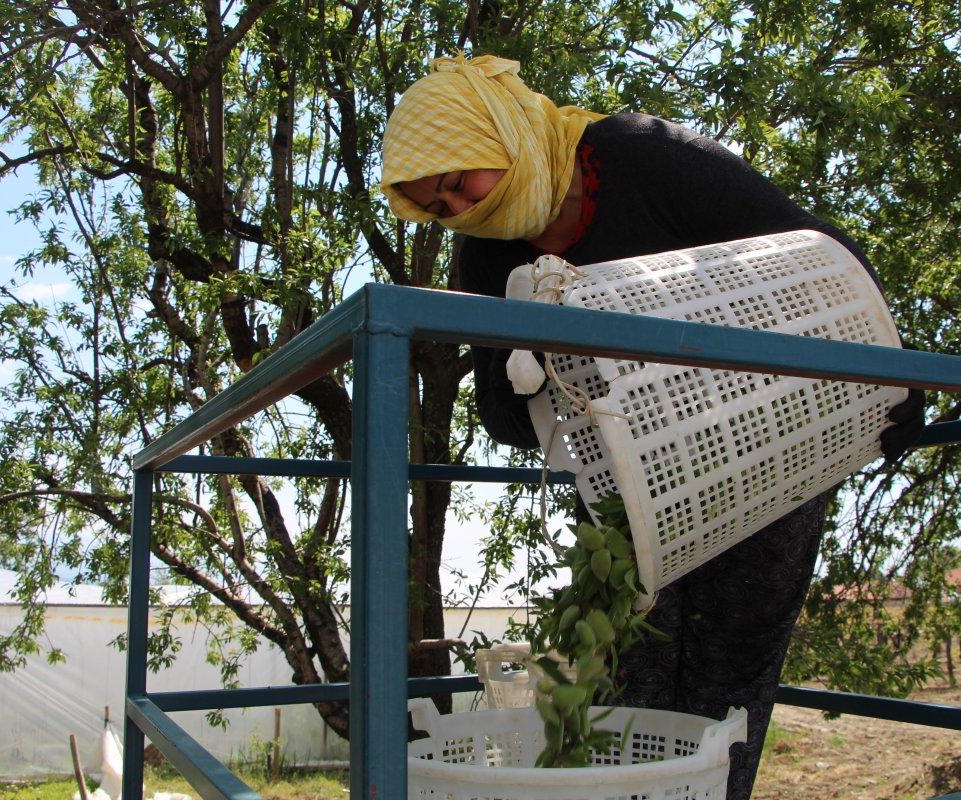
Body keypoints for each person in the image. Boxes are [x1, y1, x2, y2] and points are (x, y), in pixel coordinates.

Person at [380, 54, 924, 798]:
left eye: (457, 178)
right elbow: (504, 415)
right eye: (438, 205)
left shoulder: (643, 156)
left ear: (495, 130)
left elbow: (811, 247)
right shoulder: (486, 255)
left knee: (732, 672)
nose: (459, 205)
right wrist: (540, 362)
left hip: (764, 450)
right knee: (629, 672)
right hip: (632, 488)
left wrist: (891, 373)